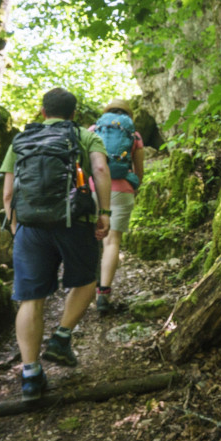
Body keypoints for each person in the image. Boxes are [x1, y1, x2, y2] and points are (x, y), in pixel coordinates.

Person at [0, 88, 112, 401]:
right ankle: (62, 337)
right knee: (88, 280)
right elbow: (101, 169)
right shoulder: (83, 136)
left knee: (31, 300)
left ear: (42, 111)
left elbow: (9, 192)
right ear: (75, 114)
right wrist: (104, 212)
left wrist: (14, 223)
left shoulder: (22, 140)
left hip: (30, 225)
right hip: (74, 221)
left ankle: (31, 376)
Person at [89, 99, 144, 314]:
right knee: (112, 242)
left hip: (94, 188)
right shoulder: (134, 134)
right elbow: (139, 170)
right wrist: (133, 185)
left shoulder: (94, 130)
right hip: (122, 190)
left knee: (93, 239)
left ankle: (87, 287)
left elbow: (84, 162)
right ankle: (103, 294)